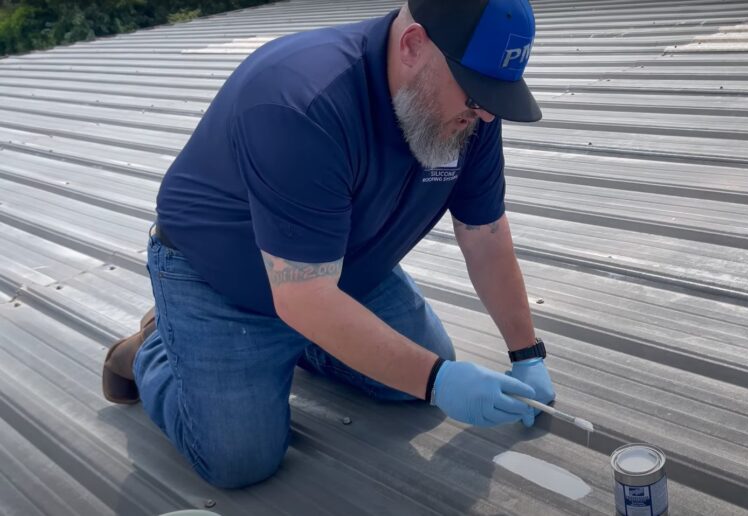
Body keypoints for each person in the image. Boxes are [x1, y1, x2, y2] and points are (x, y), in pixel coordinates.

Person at [101, 0, 555, 489]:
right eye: (474, 94)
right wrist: (437, 380)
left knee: (412, 380)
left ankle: (304, 341)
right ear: (412, 46)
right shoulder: (300, 100)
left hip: (343, 266)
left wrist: (526, 353)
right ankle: (157, 347)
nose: (485, 114)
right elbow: (304, 295)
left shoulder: (471, 111)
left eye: (493, 96)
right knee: (240, 459)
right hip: (222, 284)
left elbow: (483, 234)